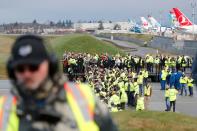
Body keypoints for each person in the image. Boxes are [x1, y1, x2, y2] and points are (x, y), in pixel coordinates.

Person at [3, 35, 118, 131]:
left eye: (34, 67)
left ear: (50, 65)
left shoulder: (83, 96)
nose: (27, 74)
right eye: (20, 69)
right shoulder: (3, 109)